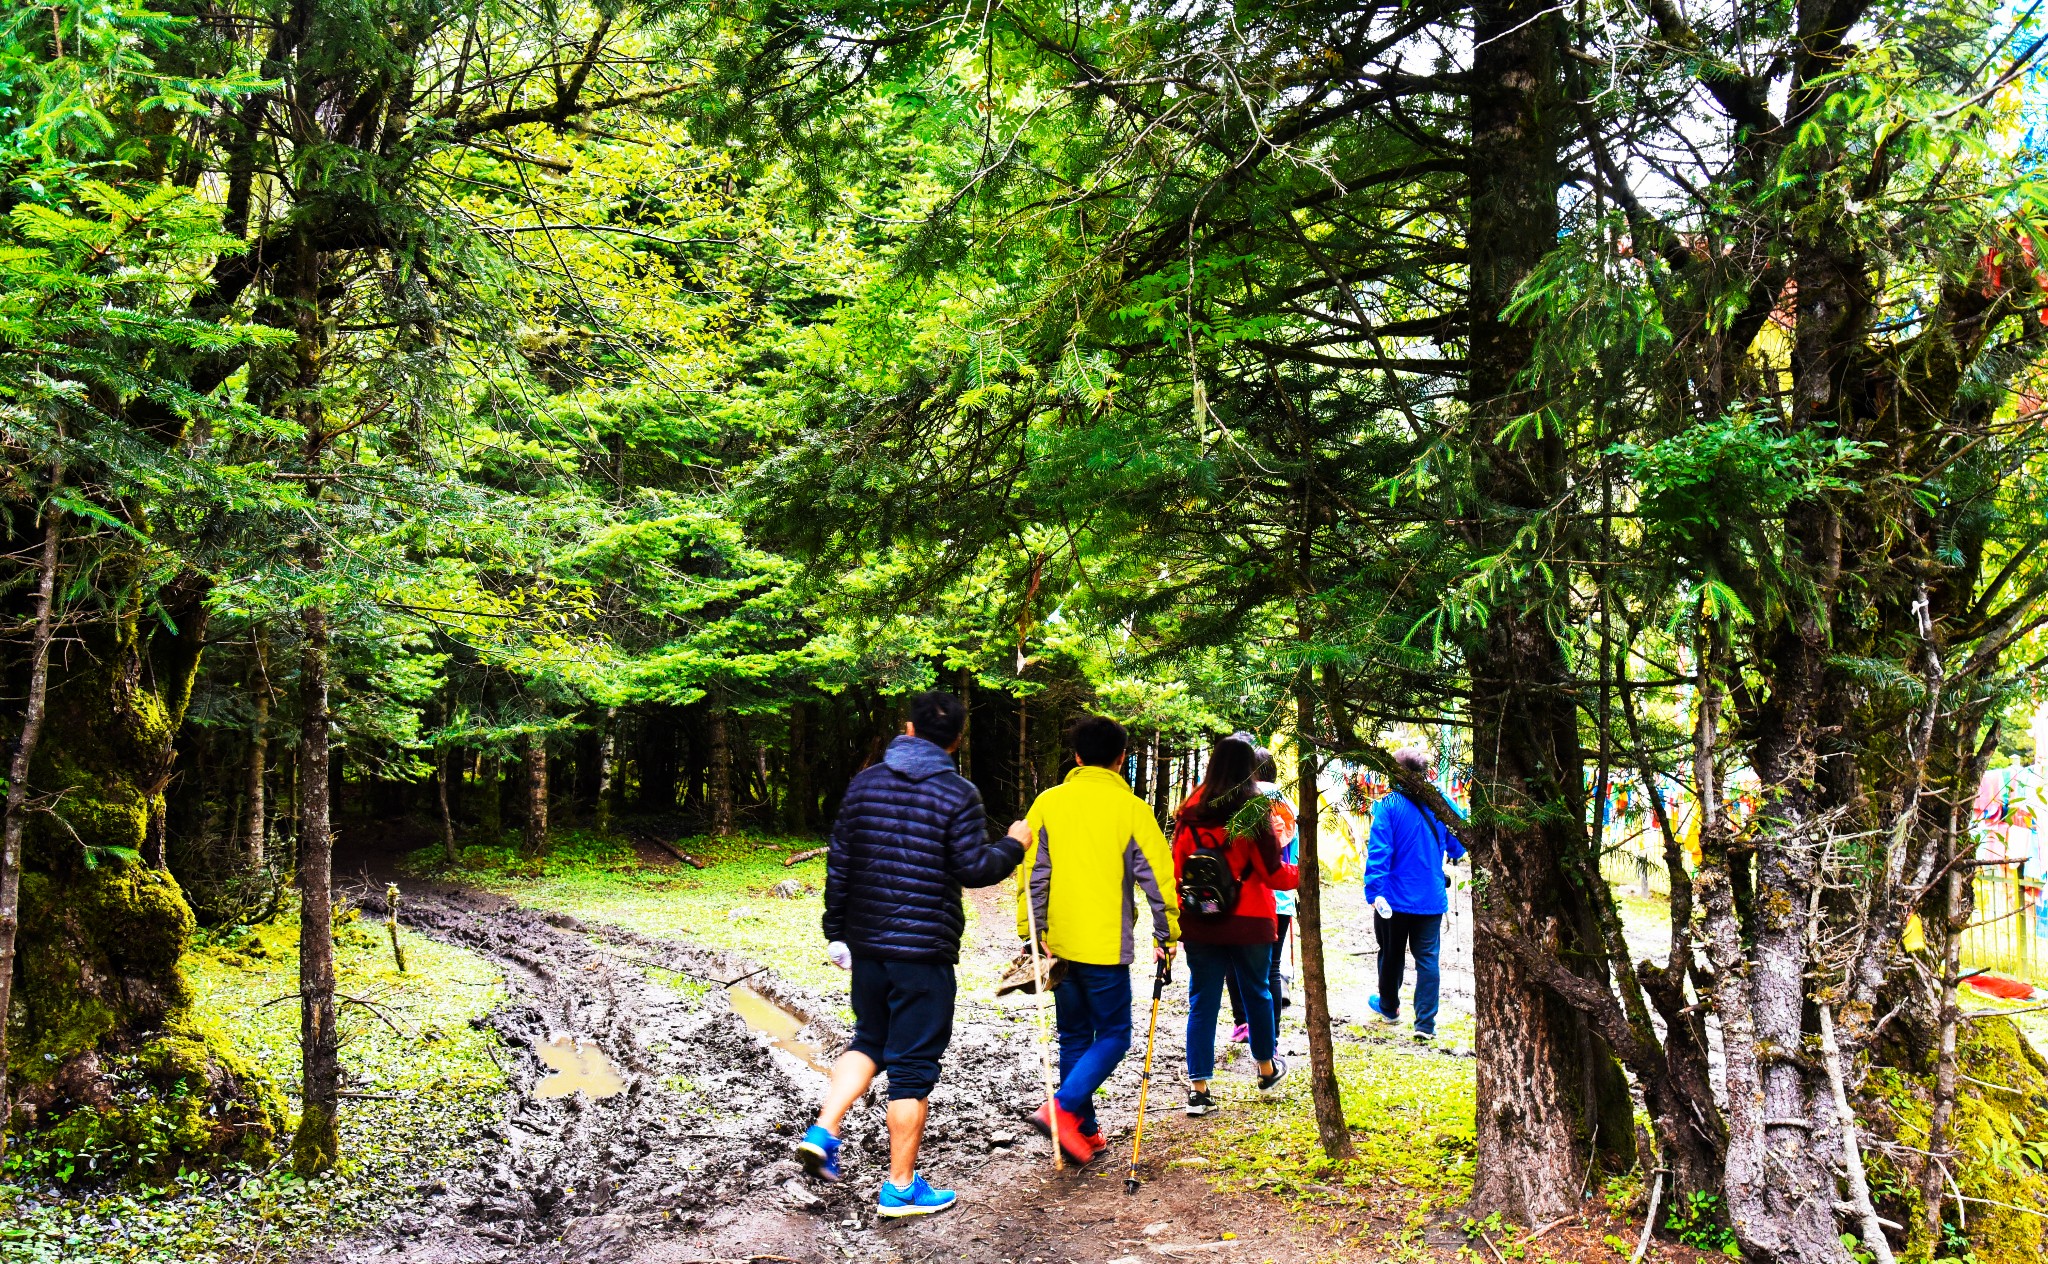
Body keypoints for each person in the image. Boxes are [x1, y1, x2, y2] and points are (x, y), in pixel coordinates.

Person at [797, 691, 1025, 1218]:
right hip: (923, 952)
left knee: (869, 1039)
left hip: (868, 944)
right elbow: (974, 869)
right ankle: (900, 1186)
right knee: (913, 1066)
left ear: (907, 729)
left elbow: (841, 862)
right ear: (957, 739)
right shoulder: (957, 792)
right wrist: (1014, 844)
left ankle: (824, 1130)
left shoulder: (866, 783)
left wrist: (837, 931)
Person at [1014, 714, 1178, 1163]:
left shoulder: (1048, 803)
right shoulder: (1133, 811)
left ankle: (1083, 1130)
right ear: (1121, 759)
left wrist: (1032, 932)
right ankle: (1063, 1109)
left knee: (1073, 1034)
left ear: (1077, 757)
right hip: (1105, 946)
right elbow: (1158, 880)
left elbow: (1032, 873)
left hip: (1058, 944)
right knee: (1114, 1035)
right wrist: (1167, 933)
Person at [1171, 735, 1297, 1115]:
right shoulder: (1254, 811)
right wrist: (1301, 873)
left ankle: (1199, 1088)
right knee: (1257, 991)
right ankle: (1265, 1068)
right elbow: (1275, 875)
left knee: (1202, 999)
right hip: (1250, 920)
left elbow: (1179, 868)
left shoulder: (1189, 810)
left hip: (1200, 917)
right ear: (1249, 770)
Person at [1363, 746, 1466, 1042]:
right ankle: (1425, 1024)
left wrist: (1374, 892)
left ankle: (1389, 1008)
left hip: (1392, 900)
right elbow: (1460, 843)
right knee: (1428, 960)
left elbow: (1380, 851)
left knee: (1391, 954)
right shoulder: (1440, 802)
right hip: (1431, 899)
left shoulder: (1389, 804)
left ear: (1395, 773)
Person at [1225, 742, 1296, 1043]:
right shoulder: (1289, 804)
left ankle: (1244, 1023)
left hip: (1250, 897)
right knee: (1273, 968)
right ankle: (1272, 1033)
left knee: (1234, 962)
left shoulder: (1244, 800)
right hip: (1283, 894)